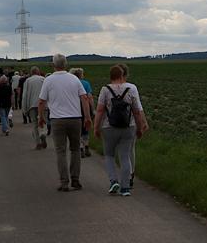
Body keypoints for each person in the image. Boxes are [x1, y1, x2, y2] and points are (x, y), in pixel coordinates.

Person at [37, 53, 92, 191]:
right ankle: (75, 179)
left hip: (57, 120)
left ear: (54, 65)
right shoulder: (74, 79)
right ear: (65, 64)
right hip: (75, 118)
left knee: (60, 151)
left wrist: (41, 116)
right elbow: (84, 98)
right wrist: (87, 117)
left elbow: (41, 101)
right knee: (75, 150)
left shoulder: (49, 80)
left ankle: (64, 182)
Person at [93, 63, 149, 196]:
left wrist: (96, 127)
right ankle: (125, 188)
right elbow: (136, 111)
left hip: (109, 127)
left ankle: (113, 181)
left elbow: (100, 110)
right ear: (122, 75)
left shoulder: (105, 90)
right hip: (128, 127)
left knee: (109, 155)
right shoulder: (131, 89)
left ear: (111, 76)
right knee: (125, 156)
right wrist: (140, 127)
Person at [20, 66, 47, 148]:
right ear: (38, 72)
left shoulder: (27, 81)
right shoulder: (43, 79)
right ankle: (43, 133)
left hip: (32, 105)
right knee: (43, 120)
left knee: (34, 123)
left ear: (31, 73)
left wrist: (24, 108)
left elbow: (24, 95)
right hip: (43, 104)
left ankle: (37, 142)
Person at [70, 67, 94, 157]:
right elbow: (89, 97)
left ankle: (80, 148)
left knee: (77, 129)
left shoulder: (71, 84)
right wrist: (92, 108)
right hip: (85, 107)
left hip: (75, 107)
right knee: (86, 127)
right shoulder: (86, 83)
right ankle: (86, 145)